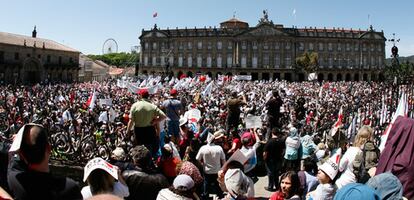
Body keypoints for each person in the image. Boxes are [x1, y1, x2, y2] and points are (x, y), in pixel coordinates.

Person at [7, 123, 82, 200]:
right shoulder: (70, 189)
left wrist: (16, 146)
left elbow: (13, 163)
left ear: (21, 154)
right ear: (49, 148)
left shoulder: (16, 182)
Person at [126, 89, 166, 156]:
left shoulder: (135, 105)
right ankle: (149, 162)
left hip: (138, 131)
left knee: (139, 149)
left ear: (141, 96)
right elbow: (164, 116)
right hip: (150, 130)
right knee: (149, 148)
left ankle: (140, 163)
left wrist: (128, 131)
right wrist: (155, 121)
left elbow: (131, 121)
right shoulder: (152, 106)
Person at [196, 130, 226, 199]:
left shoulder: (203, 148)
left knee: (206, 184)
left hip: (207, 171)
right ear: (214, 140)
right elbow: (223, 160)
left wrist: (202, 164)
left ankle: (206, 196)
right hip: (217, 170)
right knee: (218, 184)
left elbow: (197, 159)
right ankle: (220, 196)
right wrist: (223, 170)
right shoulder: (219, 148)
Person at [263, 127, 285, 192]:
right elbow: (283, 150)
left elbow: (265, 153)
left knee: (270, 173)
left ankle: (270, 187)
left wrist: (264, 159)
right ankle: (277, 186)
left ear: (272, 133)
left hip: (270, 160)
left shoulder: (269, 142)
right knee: (276, 173)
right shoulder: (281, 141)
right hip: (278, 160)